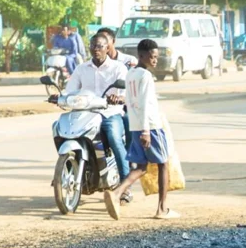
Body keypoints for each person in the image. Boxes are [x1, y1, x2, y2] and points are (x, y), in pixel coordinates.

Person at [106, 40, 176, 221]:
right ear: (141, 55)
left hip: (136, 126)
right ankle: (162, 208)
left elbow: (129, 101)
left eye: (156, 57)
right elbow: (144, 104)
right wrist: (146, 130)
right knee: (163, 163)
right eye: (152, 57)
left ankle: (117, 193)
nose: (155, 60)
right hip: (150, 126)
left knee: (142, 167)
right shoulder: (145, 76)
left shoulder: (131, 74)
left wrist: (138, 127)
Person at [63, 33, 129, 195]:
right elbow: (70, 90)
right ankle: (65, 170)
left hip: (110, 113)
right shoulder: (81, 68)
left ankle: (125, 185)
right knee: (63, 130)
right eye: (92, 46)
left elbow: (125, 92)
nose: (95, 49)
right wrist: (60, 97)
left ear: (108, 48)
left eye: (99, 46)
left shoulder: (118, 68)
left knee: (114, 137)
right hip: (85, 113)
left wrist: (118, 97)